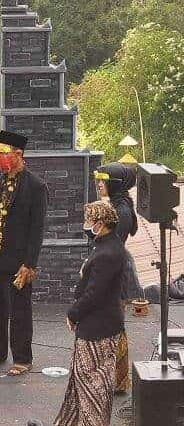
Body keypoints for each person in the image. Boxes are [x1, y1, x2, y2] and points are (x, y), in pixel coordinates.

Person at [0, 131, 48, 377]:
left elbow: (37, 228)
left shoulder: (35, 186)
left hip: (17, 262)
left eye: (4, 154)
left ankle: (23, 358)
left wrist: (29, 263)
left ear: (18, 154)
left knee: (19, 310)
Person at [54, 200, 127, 426]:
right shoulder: (105, 246)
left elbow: (95, 293)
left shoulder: (109, 253)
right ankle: (87, 422)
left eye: (89, 220)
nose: (86, 225)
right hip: (97, 322)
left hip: (100, 325)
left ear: (101, 223)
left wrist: (73, 313)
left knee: (94, 375)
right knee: (85, 373)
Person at [94, 162, 142, 393]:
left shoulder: (121, 210)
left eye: (103, 180)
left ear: (115, 183)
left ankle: (119, 380)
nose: (99, 184)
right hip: (112, 270)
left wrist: (92, 231)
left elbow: (111, 244)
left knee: (114, 327)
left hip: (116, 274)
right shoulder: (116, 205)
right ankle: (115, 379)